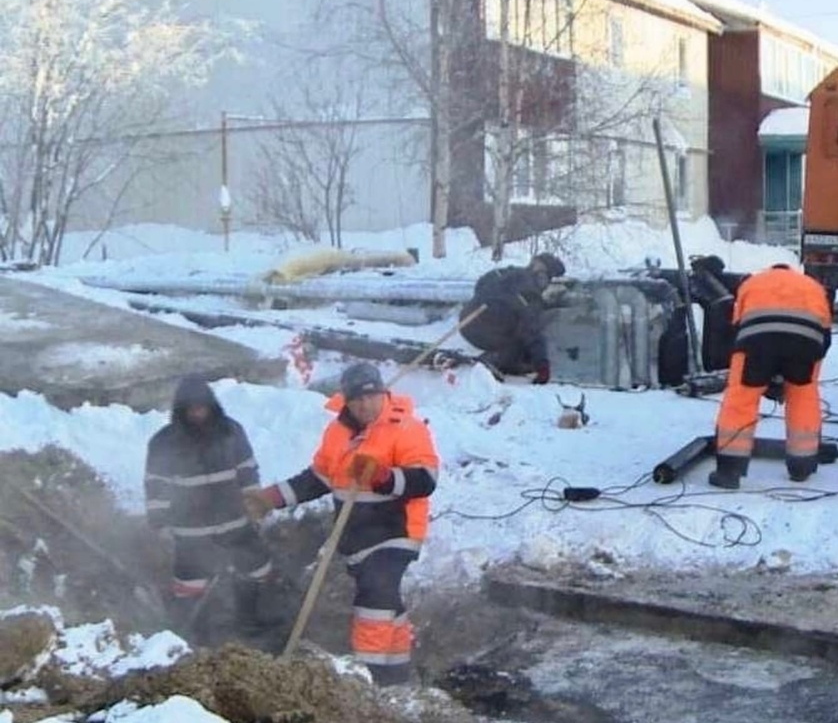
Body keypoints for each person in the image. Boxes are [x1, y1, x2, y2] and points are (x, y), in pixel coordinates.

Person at [243, 362, 439, 686]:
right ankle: (399, 672)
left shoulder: (406, 428)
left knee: (374, 596)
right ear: (346, 400)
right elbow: (318, 478)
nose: (365, 405)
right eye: (357, 400)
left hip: (397, 531)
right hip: (356, 536)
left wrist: (383, 477)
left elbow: (425, 480)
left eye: (371, 397)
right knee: (387, 601)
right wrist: (271, 498)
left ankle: (372, 678)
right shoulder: (338, 432)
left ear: (382, 393)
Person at [144, 374, 284, 643]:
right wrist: (158, 522)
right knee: (190, 583)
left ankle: (250, 622)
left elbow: (247, 472)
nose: (197, 413)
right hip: (191, 530)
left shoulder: (231, 432)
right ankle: (192, 635)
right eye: (191, 408)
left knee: (256, 568)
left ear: (212, 405)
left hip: (235, 522)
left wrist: (255, 504)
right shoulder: (164, 442)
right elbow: (156, 485)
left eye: (202, 406)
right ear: (181, 409)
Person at [709, 264, 833, 490]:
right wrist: (798, 371)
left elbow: (737, 327)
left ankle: (729, 470)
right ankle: (801, 466)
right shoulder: (813, 286)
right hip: (805, 343)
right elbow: (825, 336)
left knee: (742, 397)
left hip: (757, 341)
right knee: (803, 395)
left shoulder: (751, 284)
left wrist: (762, 374)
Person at [459, 252, 566, 383]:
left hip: (466, 320)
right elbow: (532, 331)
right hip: (483, 330)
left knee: (515, 326)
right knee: (519, 342)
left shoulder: (508, 273)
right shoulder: (531, 294)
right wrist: (542, 365)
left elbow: (482, 282)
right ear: (543, 275)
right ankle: (492, 361)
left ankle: (505, 361)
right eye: (549, 278)